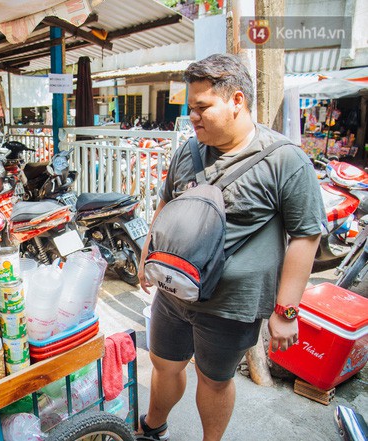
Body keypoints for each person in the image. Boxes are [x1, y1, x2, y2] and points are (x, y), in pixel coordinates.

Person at [137, 53, 323, 441]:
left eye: (203, 107)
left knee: (214, 379)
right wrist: (145, 258)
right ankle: (153, 427)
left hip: (230, 305)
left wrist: (286, 310)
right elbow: (166, 205)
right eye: (191, 108)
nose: (194, 116)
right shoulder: (187, 152)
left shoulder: (284, 160)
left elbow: (306, 235)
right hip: (173, 292)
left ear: (237, 101)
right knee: (163, 364)